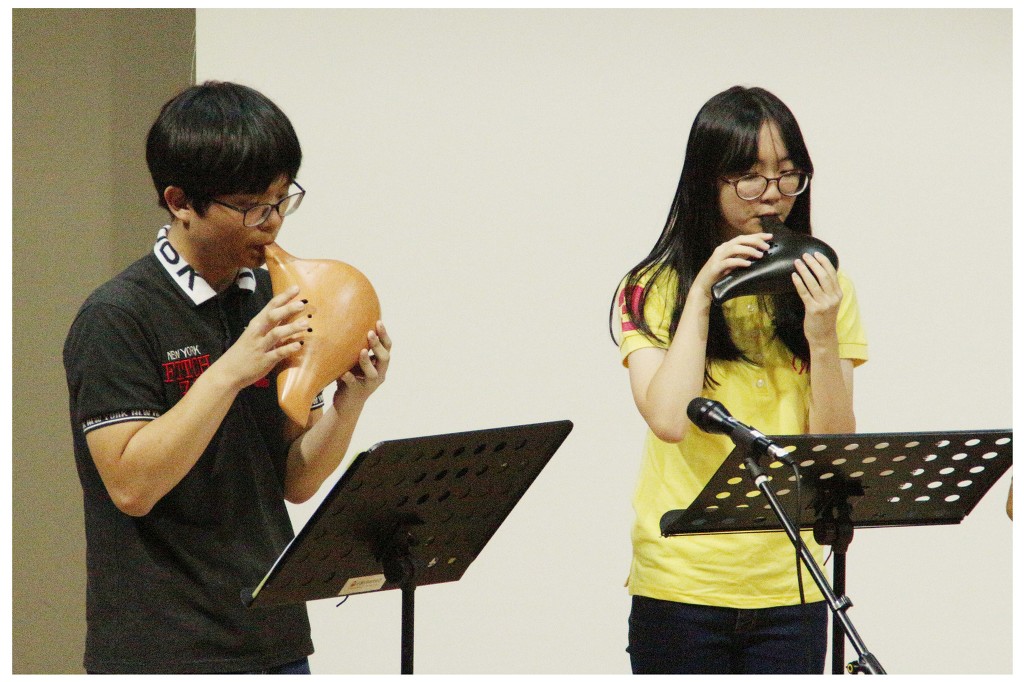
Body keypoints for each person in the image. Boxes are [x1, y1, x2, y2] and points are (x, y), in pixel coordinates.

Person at [63, 81, 392, 674]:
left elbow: (295, 480)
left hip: (272, 636)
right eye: (250, 206)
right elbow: (132, 487)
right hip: (163, 647)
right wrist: (232, 370)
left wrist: (351, 401)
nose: (272, 223)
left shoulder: (274, 300)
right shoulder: (118, 316)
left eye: (281, 199)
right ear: (180, 202)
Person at [612, 86, 868, 674]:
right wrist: (702, 294)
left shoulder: (828, 288)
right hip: (681, 583)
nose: (772, 194)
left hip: (792, 583)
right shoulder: (651, 288)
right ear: (709, 180)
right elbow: (669, 420)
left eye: (787, 174)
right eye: (750, 177)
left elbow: (830, 445)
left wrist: (822, 335)